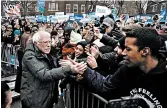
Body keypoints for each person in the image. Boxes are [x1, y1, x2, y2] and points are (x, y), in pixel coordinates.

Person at [73, 28, 167, 107]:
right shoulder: (127, 70)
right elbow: (105, 86)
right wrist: (84, 70)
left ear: (145, 51)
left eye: (128, 49)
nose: (124, 53)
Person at [20, 31, 87, 108]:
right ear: (36, 43)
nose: (48, 45)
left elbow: (57, 68)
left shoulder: (48, 53)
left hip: (47, 97)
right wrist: (69, 69)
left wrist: (72, 68)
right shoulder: (29, 55)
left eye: (49, 42)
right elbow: (44, 74)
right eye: (45, 42)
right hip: (34, 99)